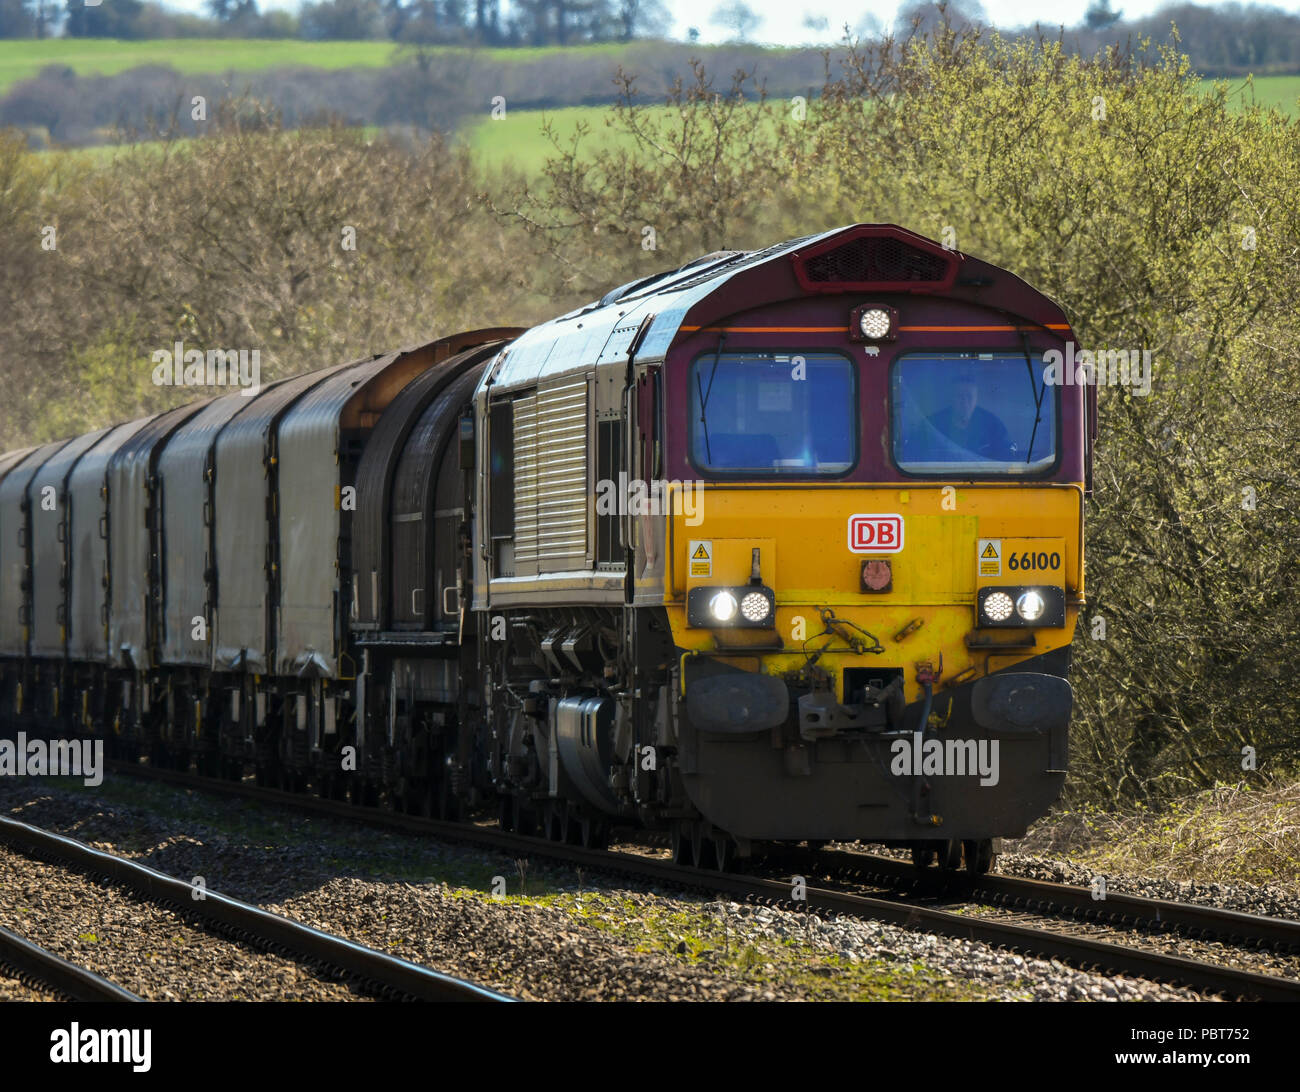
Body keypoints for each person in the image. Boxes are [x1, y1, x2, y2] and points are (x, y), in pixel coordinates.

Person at [927, 378, 1014, 460]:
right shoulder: (933, 424)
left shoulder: (993, 425)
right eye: (959, 396)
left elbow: (1007, 458)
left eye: (969, 396)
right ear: (951, 398)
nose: (964, 402)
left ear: (976, 399)